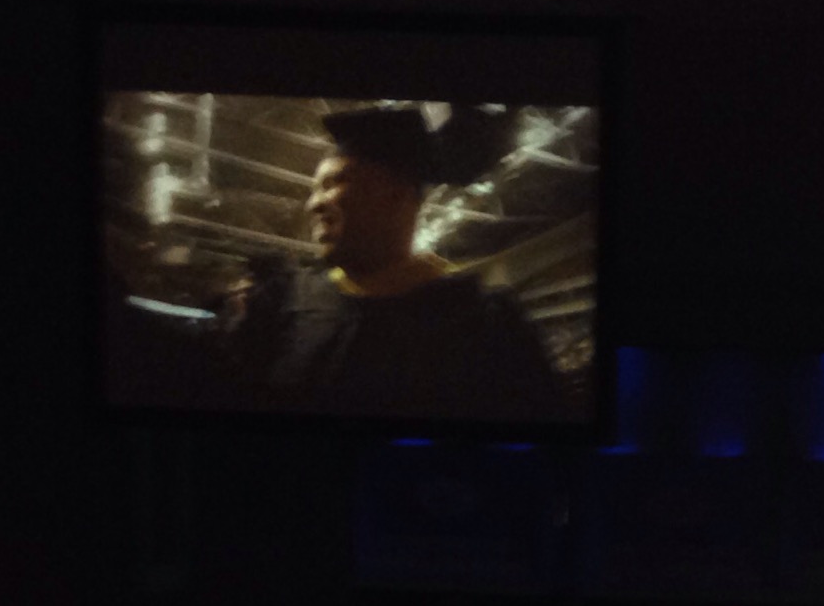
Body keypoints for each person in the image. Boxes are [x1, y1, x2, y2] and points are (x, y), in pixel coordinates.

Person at [232, 104, 572, 422]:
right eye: (314, 189)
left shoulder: (483, 321)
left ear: (397, 195)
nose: (314, 205)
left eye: (333, 183)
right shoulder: (287, 304)